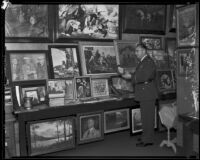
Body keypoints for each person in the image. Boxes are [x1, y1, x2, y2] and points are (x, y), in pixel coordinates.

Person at [118, 43, 158, 147]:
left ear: (144, 51)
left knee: (148, 118)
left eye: (137, 51)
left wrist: (129, 76)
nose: (136, 53)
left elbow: (143, 77)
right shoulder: (143, 62)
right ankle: (146, 136)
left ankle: (148, 140)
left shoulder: (148, 62)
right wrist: (125, 74)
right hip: (145, 92)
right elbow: (137, 75)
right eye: (135, 51)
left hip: (148, 93)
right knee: (145, 117)